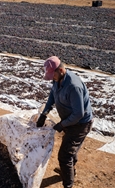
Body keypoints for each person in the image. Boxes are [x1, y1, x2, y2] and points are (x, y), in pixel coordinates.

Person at [36, 56, 93, 188]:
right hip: (69, 120)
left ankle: (68, 184)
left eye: (53, 75)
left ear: (61, 70)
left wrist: (62, 125)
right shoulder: (58, 80)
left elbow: (79, 113)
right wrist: (44, 113)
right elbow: (52, 95)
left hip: (80, 124)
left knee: (65, 155)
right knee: (70, 150)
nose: (52, 79)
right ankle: (70, 172)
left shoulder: (74, 86)